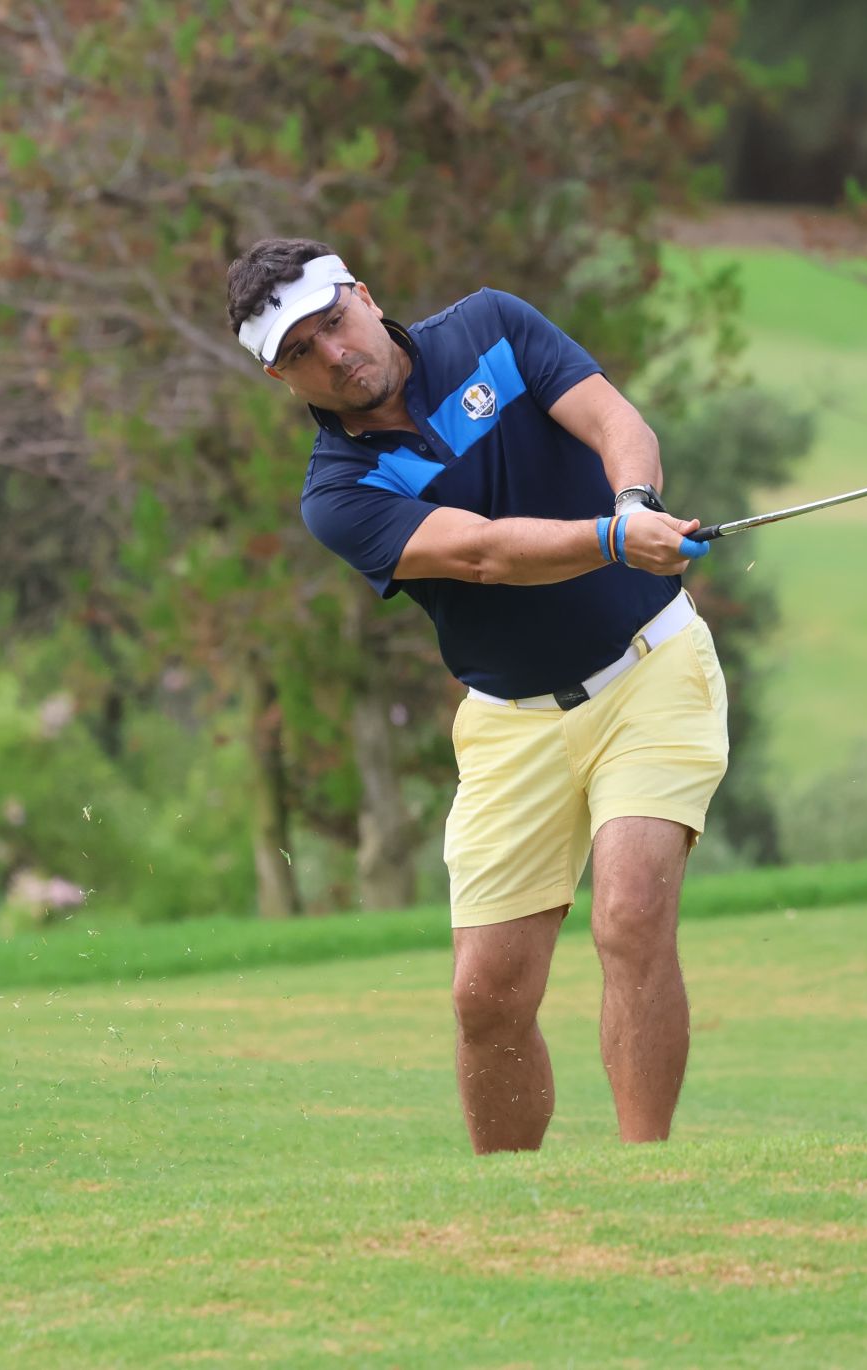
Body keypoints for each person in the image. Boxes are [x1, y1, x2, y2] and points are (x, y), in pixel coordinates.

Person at [224, 239, 729, 1154]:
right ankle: (508, 1214)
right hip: (510, 725)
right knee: (485, 996)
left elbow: (614, 419)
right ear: (280, 376)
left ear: (364, 297)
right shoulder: (339, 493)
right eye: (300, 351)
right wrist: (616, 538)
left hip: (651, 668)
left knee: (630, 916)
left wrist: (638, 500)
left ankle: (650, 1185)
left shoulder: (493, 324)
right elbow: (481, 552)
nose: (333, 355)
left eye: (333, 323)